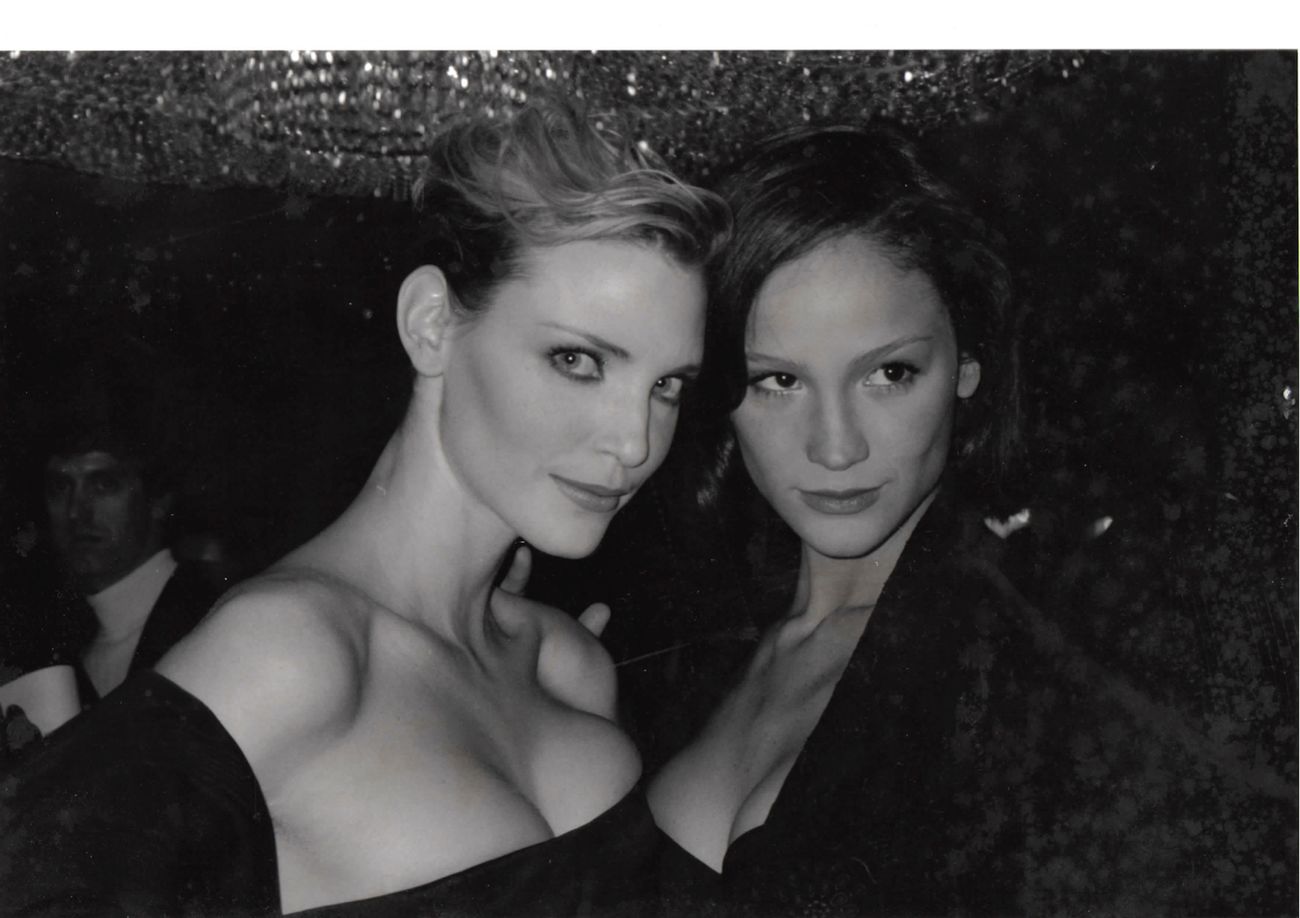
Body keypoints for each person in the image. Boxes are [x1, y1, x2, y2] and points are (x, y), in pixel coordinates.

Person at [0, 98, 729, 917]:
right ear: (431, 325)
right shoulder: (290, 653)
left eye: (668, 386)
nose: (635, 440)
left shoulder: (569, 666)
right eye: (579, 361)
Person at [644, 125, 1276, 915]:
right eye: (778, 381)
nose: (835, 447)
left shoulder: (1040, 662)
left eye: (889, 373)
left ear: (967, 364)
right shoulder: (685, 655)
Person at [1, 338, 232, 747]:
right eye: (60, 487)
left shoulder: (213, 618)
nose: (77, 512)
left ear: (158, 499)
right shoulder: (57, 643)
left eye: (103, 484)